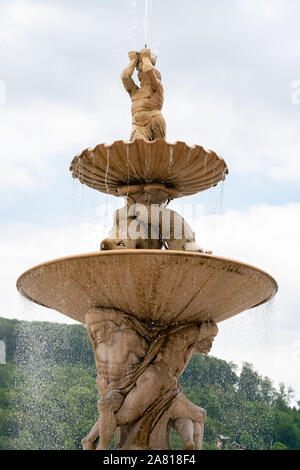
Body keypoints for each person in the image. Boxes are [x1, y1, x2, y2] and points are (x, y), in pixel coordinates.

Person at [83, 308, 218, 450]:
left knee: (118, 413)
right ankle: (95, 443)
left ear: (108, 326)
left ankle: (98, 445)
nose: (94, 334)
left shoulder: (128, 339)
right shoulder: (99, 342)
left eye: (97, 330)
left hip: (136, 386)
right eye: (92, 330)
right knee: (109, 407)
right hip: (121, 388)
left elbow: (149, 352)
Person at [121, 49, 166, 141]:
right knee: (136, 148)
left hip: (154, 120)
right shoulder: (135, 91)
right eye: (140, 77)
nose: (141, 77)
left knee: (159, 150)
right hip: (138, 123)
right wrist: (133, 62)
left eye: (144, 76)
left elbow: (148, 70)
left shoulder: (156, 86)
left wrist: (145, 57)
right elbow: (124, 77)